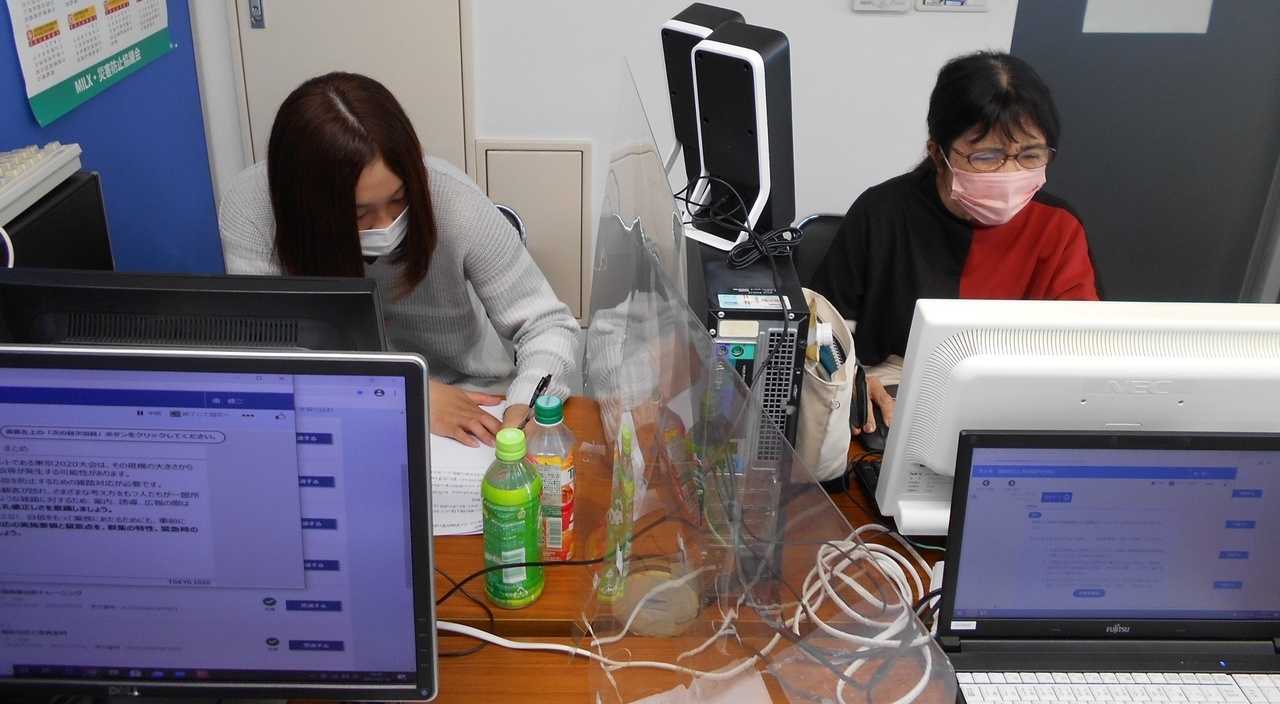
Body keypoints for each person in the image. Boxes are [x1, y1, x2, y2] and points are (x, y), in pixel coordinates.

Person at [219, 72, 579, 447]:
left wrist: (525, 406)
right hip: (330, 404)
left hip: (469, 397)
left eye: (399, 198)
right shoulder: (254, 210)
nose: (387, 224)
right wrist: (403, 391)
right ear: (309, 210)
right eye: (359, 213)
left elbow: (547, 324)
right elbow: (269, 357)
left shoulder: (454, 202)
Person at [810, 51, 1099, 437]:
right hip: (894, 389)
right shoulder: (881, 212)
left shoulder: (1058, 225)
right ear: (938, 153)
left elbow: (1083, 348)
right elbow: (821, 333)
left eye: (1030, 155)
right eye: (987, 156)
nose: (1011, 172)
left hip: (1014, 402)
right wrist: (854, 381)